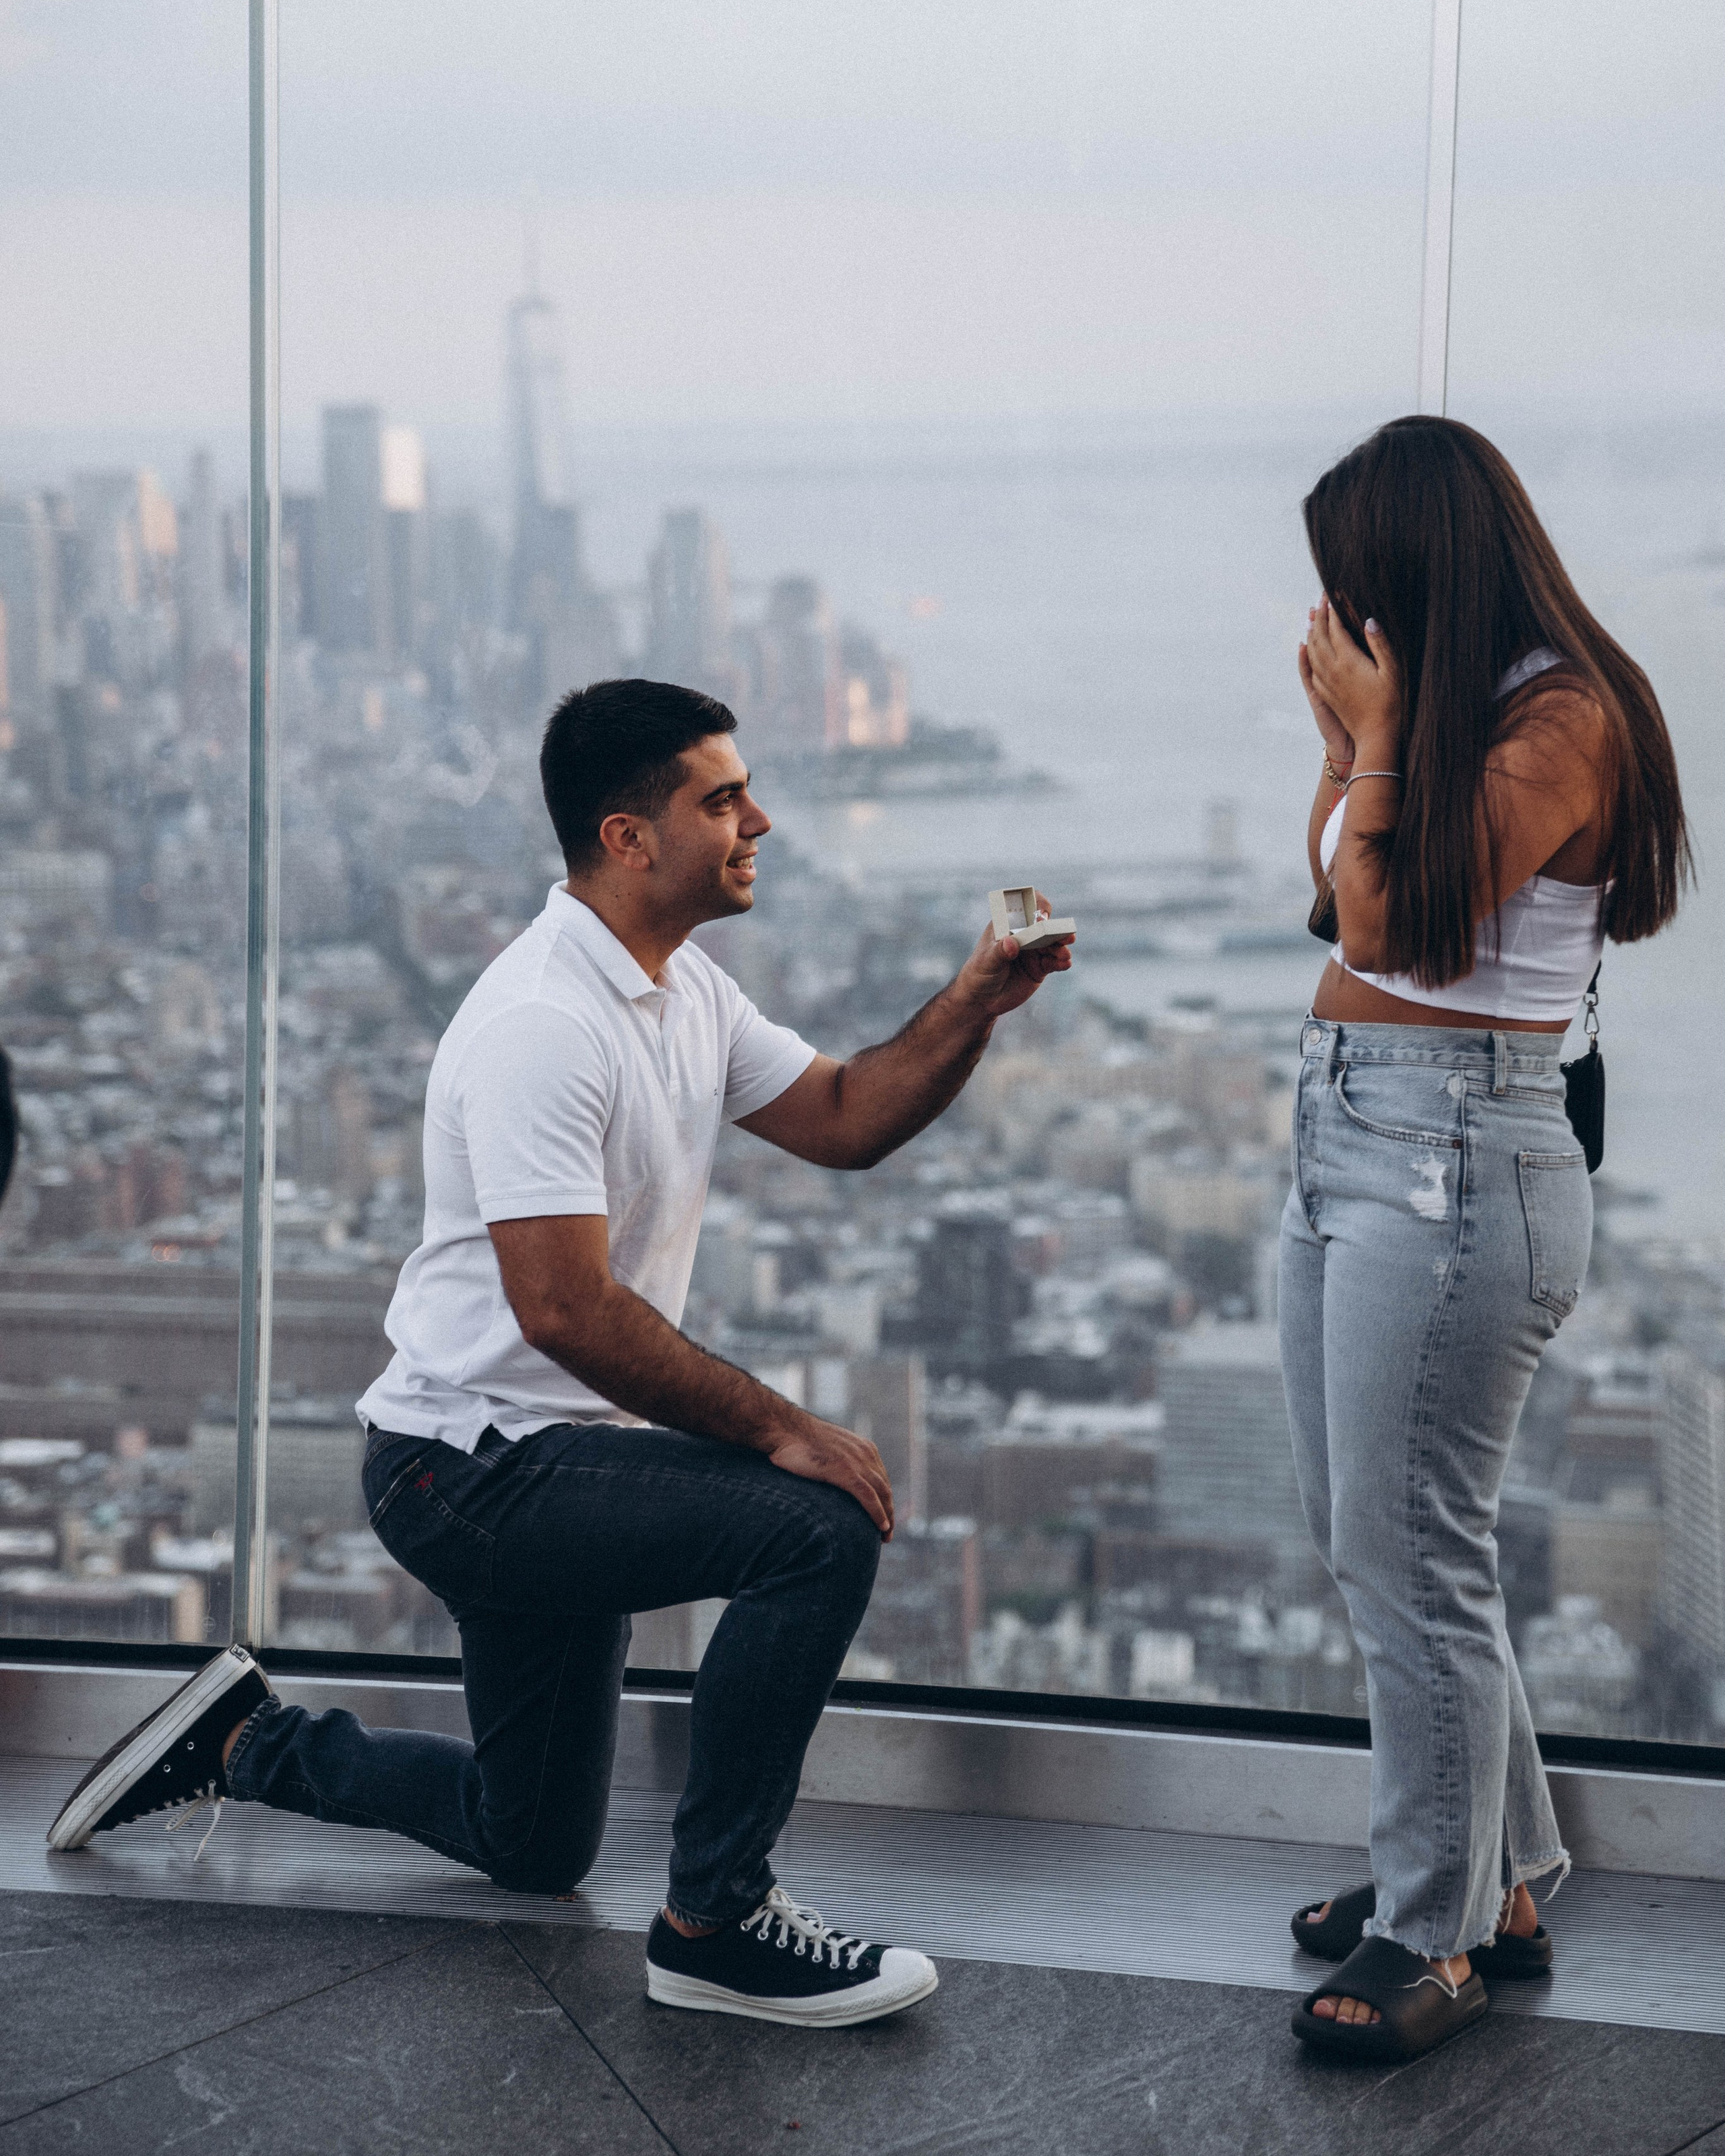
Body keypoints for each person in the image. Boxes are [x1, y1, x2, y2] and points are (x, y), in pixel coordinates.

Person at [49, 678, 1074, 2029]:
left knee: (530, 1839)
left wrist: (972, 1001)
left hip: (549, 1455)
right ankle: (717, 1917)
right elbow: (564, 1311)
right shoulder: (544, 1021)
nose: (757, 818)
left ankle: (242, 1742)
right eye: (721, 798)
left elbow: (840, 1115)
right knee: (813, 1527)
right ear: (628, 835)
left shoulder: (680, 989)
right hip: (464, 1472)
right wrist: (780, 1427)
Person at [1280, 416, 1689, 2062]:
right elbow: (1327, 896)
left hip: (1456, 1152)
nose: (1338, 617)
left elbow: (1388, 917)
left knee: (1410, 1549)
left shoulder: (1558, 719)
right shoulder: (1441, 714)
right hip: (1348, 1126)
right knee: (1364, 1527)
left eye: (1353, 590)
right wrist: (1342, 737)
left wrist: (1368, 732)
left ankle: (1429, 1929)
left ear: (1412, 571)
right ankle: (1491, 1876)